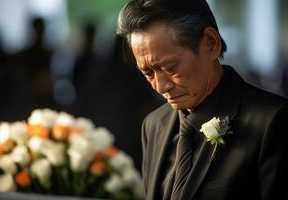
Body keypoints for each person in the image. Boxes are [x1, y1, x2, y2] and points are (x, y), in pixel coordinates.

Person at [116, 0, 288, 199]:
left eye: (170, 68)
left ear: (210, 43)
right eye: (147, 73)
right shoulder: (153, 124)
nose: (160, 86)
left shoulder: (273, 122)